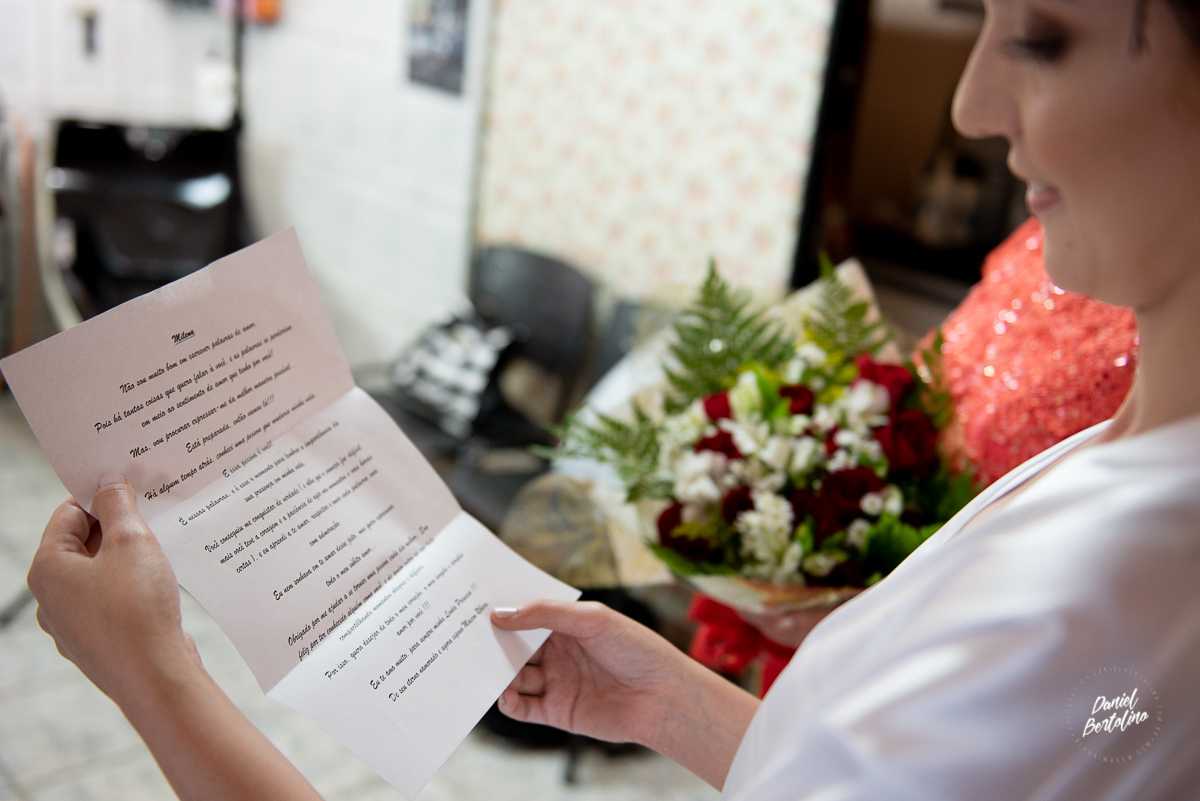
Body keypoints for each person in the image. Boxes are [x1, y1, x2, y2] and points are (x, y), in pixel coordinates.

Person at [26, 0, 1200, 798]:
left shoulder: (1122, 589)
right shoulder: (1125, 459)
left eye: (1041, 36)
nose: (970, 105)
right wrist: (681, 710)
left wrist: (149, 671)